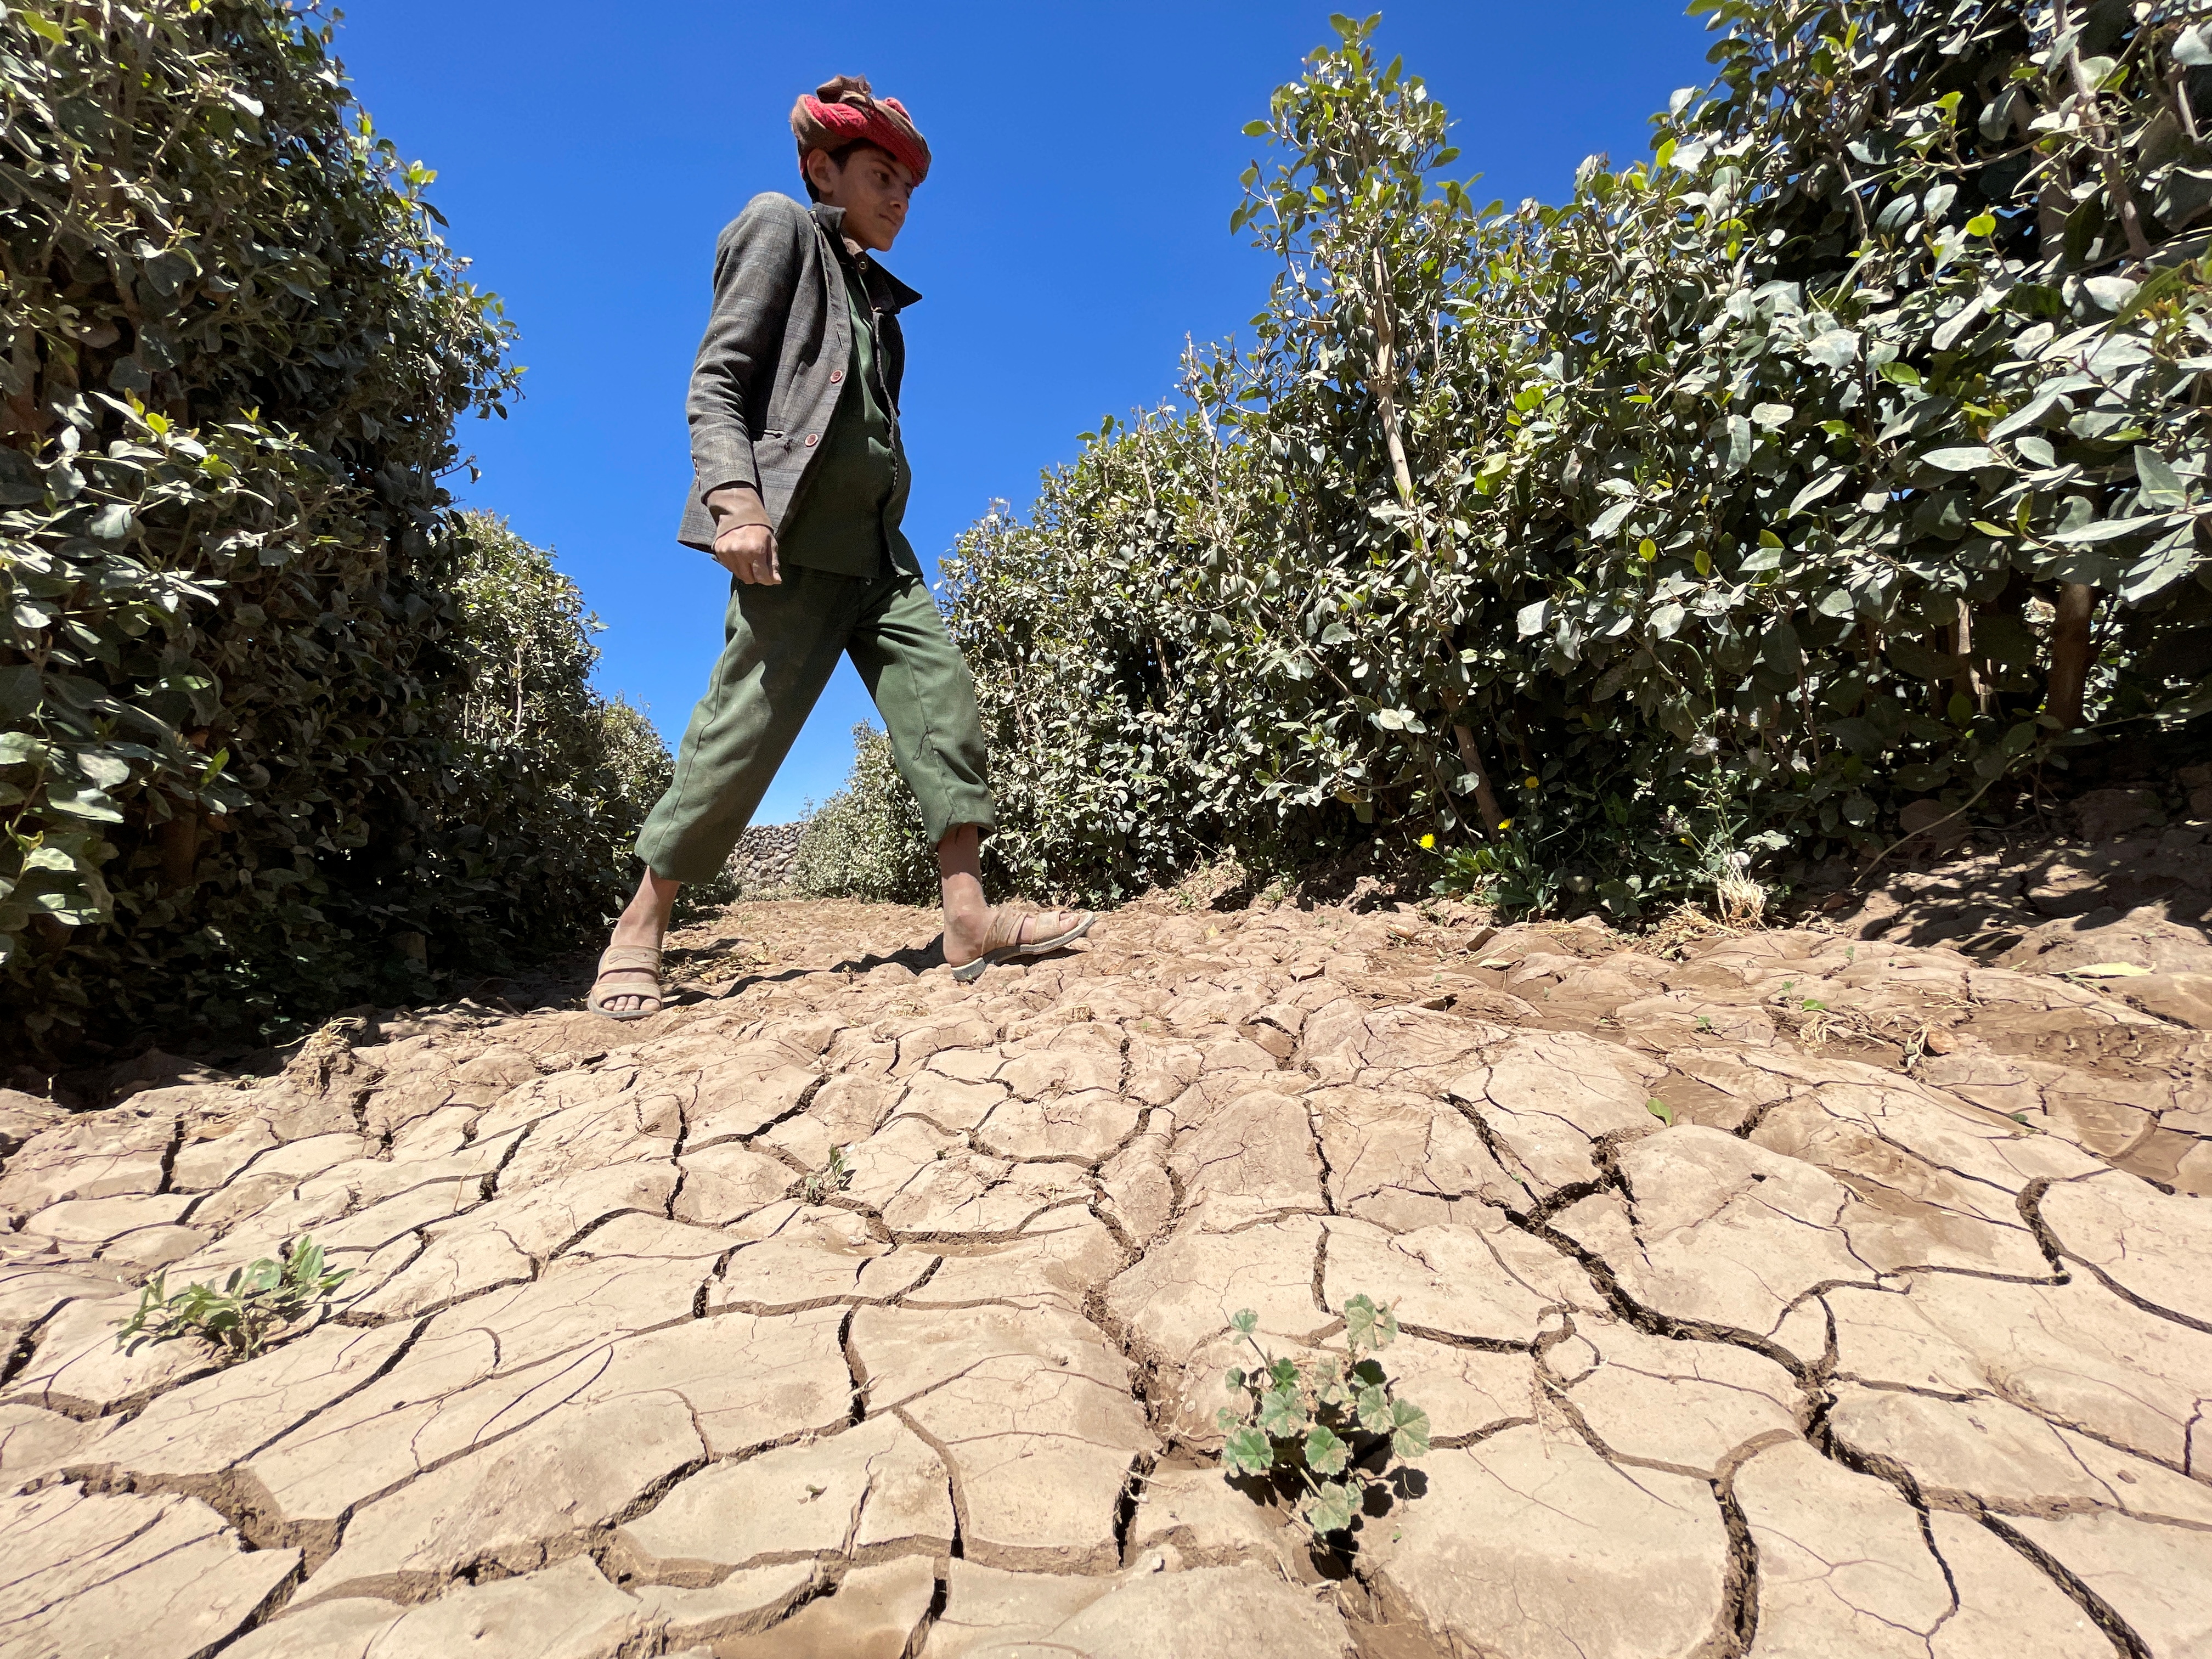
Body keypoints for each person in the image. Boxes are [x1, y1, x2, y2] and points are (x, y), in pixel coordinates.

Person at [590, 75, 1091, 1019]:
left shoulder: (878, 301)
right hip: (792, 540)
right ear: (823, 169)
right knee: (744, 730)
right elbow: (718, 380)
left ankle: (967, 916)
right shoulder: (780, 223)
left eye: (910, 185)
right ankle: (641, 927)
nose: (900, 199)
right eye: (879, 175)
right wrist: (738, 504)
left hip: (879, 548)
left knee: (941, 703)